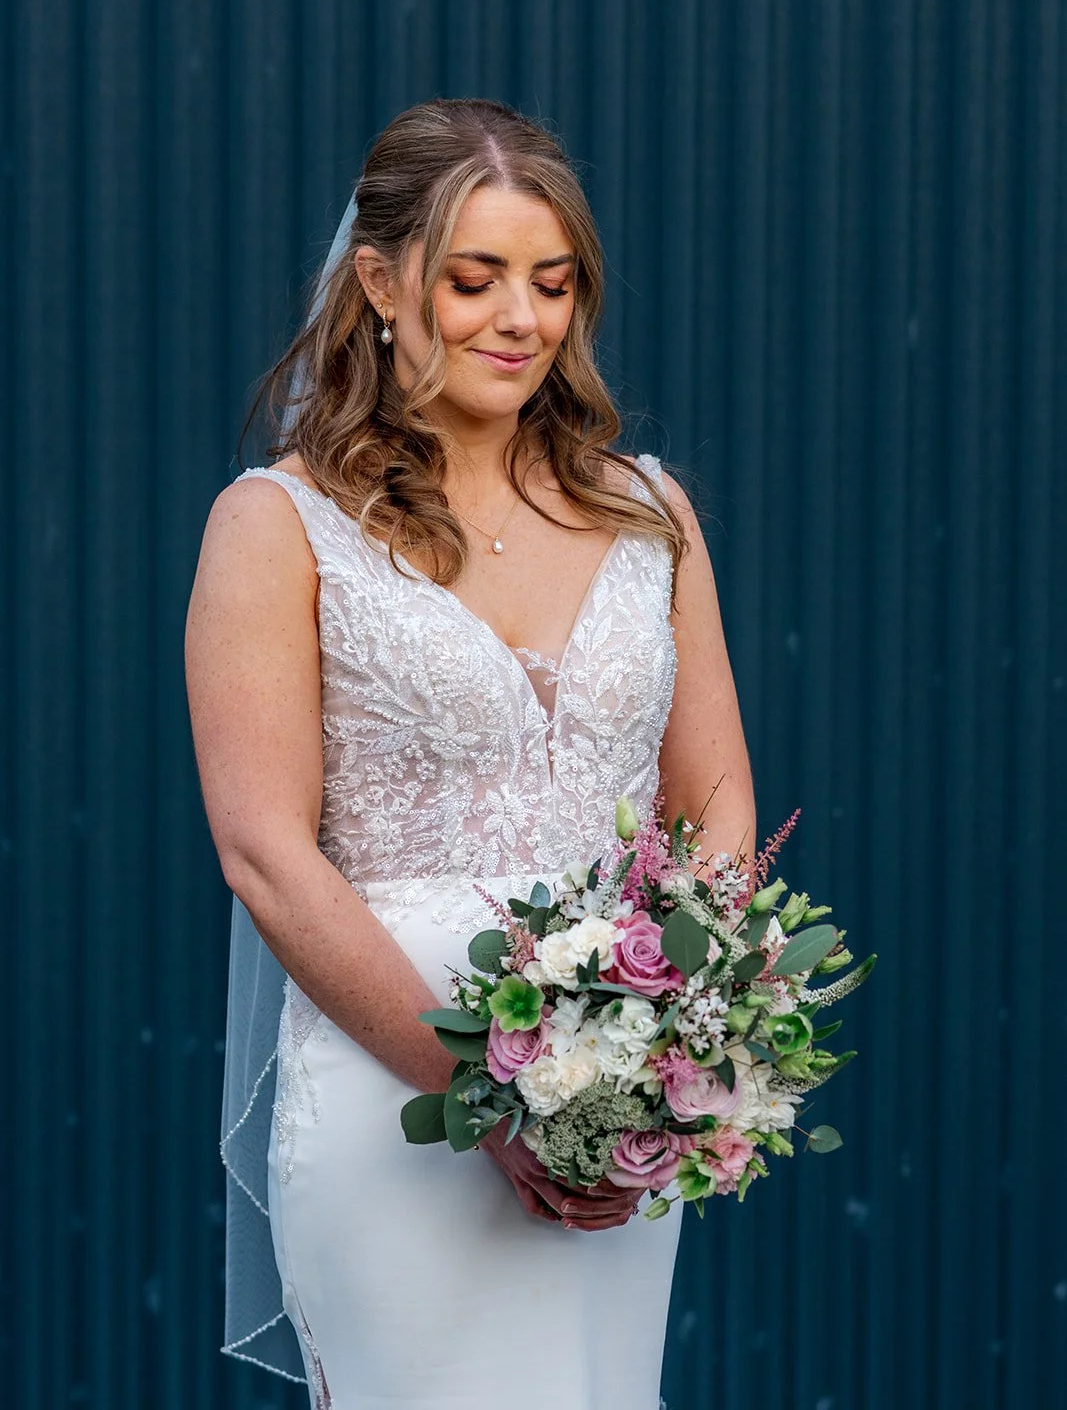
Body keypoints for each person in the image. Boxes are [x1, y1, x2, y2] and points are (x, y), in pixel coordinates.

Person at [184, 97, 754, 1410]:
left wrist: (649, 1055)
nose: (520, 318)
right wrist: (488, 1102)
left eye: (552, 284)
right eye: (474, 279)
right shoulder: (276, 527)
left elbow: (717, 808)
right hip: (402, 1104)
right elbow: (263, 852)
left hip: (608, 1113)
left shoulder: (647, 514)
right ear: (380, 284)